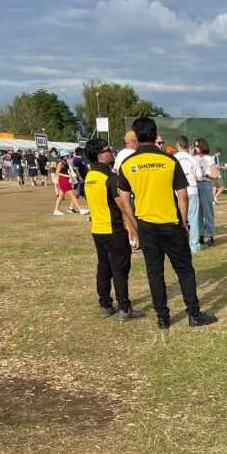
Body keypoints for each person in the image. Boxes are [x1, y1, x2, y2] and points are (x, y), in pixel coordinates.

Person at [115, 117, 217, 330]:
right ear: (155, 135)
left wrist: (134, 229)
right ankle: (193, 314)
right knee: (185, 270)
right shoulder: (170, 161)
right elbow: (183, 196)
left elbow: (124, 202)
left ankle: (163, 318)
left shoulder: (127, 164)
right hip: (171, 223)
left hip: (146, 225)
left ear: (136, 137)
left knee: (155, 272)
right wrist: (184, 223)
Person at [83, 138, 144, 322]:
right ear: (101, 155)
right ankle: (124, 309)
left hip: (98, 230)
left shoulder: (89, 177)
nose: (112, 152)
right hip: (114, 230)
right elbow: (124, 208)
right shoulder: (110, 179)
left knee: (103, 268)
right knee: (120, 270)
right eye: (108, 150)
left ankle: (105, 305)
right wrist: (134, 231)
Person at [175, 135, 201, 253]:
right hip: (192, 189)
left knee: (178, 218)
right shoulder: (193, 159)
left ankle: (180, 243)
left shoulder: (173, 158)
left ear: (178, 145)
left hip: (177, 191)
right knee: (193, 219)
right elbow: (199, 177)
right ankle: (194, 246)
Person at [194, 138, 218, 245]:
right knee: (197, 211)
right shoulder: (194, 158)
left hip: (205, 184)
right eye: (195, 146)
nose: (196, 148)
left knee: (207, 211)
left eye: (198, 146)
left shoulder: (209, 159)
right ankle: (200, 234)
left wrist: (205, 175)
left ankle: (210, 235)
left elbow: (215, 175)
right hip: (195, 185)